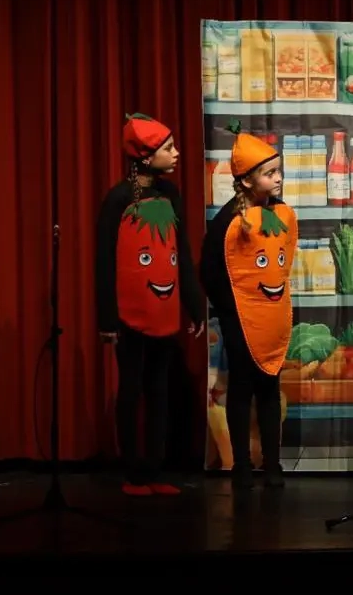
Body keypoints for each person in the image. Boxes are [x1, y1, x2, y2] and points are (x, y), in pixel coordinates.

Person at [96, 112, 205, 497]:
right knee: (131, 389)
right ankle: (133, 473)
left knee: (160, 390)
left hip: (164, 310)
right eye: (167, 148)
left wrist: (194, 304)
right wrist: (107, 319)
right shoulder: (119, 199)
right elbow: (105, 261)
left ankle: (156, 468)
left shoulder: (170, 195)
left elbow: (181, 252)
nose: (176, 154)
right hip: (130, 314)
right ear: (145, 156)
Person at [199, 128, 298, 489]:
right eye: (269, 173)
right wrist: (235, 310)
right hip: (239, 322)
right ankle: (241, 464)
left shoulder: (279, 213)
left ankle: (272, 464)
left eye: (278, 171)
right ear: (246, 180)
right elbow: (210, 272)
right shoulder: (228, 221)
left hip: (270, 319)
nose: (278, 178)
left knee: (270, 388)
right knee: (241, 389)